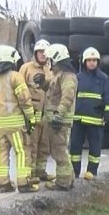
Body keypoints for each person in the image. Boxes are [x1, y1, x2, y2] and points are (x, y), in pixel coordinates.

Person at [0, 45, 38, 192]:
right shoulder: (15, 76)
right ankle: (23, 182)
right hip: (15, 124)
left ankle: (4, 182)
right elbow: (24, 99)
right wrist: (31, 118)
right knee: (21, 151)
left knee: (1, 153)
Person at [70, 47, 109, 180]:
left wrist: (108, 113)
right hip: (78, 119)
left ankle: (91, 172)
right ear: (84, 62)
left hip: (95, 120)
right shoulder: (78, 78)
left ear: (98, 62)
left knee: (95, 148)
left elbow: (108, 98)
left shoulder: (104, 79)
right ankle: (74, 172)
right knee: (75, 147)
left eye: (94, 60)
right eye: (89, 60)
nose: (92, 63)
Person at [39, 44, 77, 190]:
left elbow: (67, 97)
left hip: (59, 120)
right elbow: (52, 92)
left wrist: (58, 115)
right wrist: (43, 83)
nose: (49, 63)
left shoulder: (67, 76)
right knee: (60, 151)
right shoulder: (60, 75)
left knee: (59, 151)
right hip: (56, 119)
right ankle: (69, 179)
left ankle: (63, 182)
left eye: (51, 60)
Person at [19, 39, 52, 184]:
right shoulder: (26, 68)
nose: (43, 55)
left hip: (45, 116)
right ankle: (30, 174)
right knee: (30, 146)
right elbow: (20, 90)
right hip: (31, 115)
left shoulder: (51, 70)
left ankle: (40, 171)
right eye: (40, 52)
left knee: (44, 146)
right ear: (35, 53)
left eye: (45, 53)